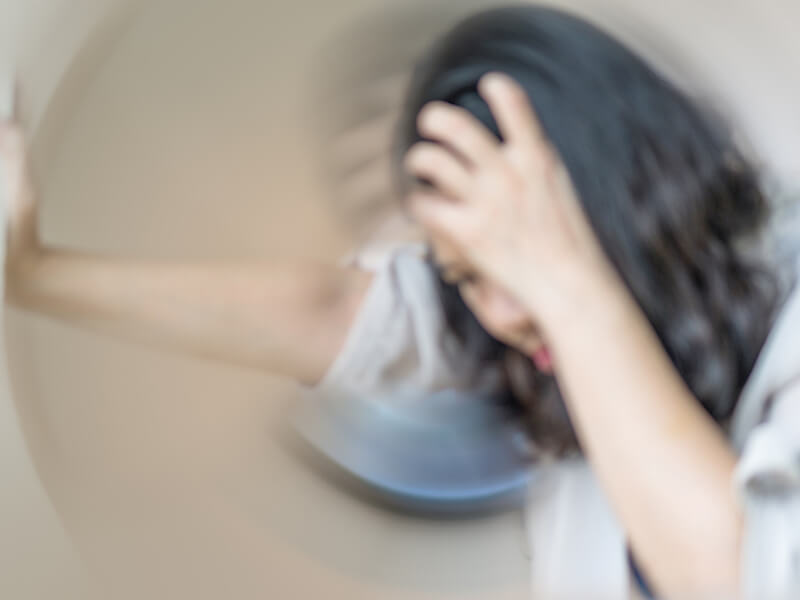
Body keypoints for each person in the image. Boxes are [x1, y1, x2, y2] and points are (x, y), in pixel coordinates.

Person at [3, 4, 799, 599]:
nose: (503, 315)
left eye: (521, 259)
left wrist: (564, 281)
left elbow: (739, 576)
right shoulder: (544, 340)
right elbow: (338, 312)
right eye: (466, 278)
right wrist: (34, 275)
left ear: (612, 197)